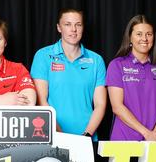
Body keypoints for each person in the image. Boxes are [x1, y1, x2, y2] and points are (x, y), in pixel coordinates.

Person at [31, 9, 107, 138]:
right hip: (53, 136)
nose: (73, 29)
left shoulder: (96, 60)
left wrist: (87, 135)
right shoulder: (43, 56)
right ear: (59, 27)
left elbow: (100, 104)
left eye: (78, 24)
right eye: (68, 24)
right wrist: (61, 136)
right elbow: (41, 101)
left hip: (87, 137)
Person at [106, 15, 156, 141]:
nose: (144, 39)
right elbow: (117, 107)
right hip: (123, 141)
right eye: (139, 34)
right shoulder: (117, 65)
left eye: (149, 34)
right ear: (130, 37)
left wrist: (155, 134)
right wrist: (146, 133)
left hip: (154, 142)